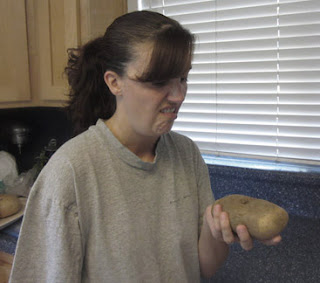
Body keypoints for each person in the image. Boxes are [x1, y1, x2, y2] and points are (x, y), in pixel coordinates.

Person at [9, 10, 281, 283]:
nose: (178, 95)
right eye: (158, 82)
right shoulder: (71, 172)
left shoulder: (186, 154)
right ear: (114, 82)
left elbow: (200, 268)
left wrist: (215, 231)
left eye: (183, 78)